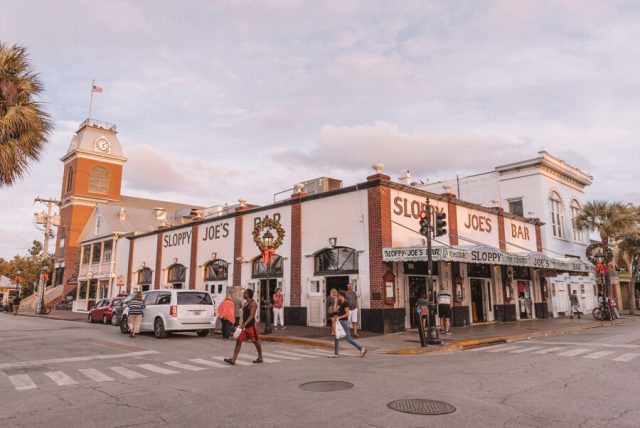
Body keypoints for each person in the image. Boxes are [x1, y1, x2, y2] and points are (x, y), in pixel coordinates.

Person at [224, 289, 264, 365]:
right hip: (245, 327)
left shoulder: (253, 303)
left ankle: (260, 357)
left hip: (251, 326)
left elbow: (252, 316)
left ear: (248, 294)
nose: (243, 294)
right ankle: (233, 360)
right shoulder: (246, 303)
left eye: (244, 293)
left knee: (255, 341)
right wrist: (242, 324)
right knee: (238, 340)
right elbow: (245, 316)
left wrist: (245, 324)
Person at [329, 291, 366, 358]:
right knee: (336, 337)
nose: (337, 296)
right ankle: (336, 353)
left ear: (341, 295)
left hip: (344, 322)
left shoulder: (346, 303)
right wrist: (335, 302)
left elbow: (347, 314)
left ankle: (361, 348)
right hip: (340, 322)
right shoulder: (341, 303)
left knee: (348, 338)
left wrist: (339, 317)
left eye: (338, 295)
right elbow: (335, 311)